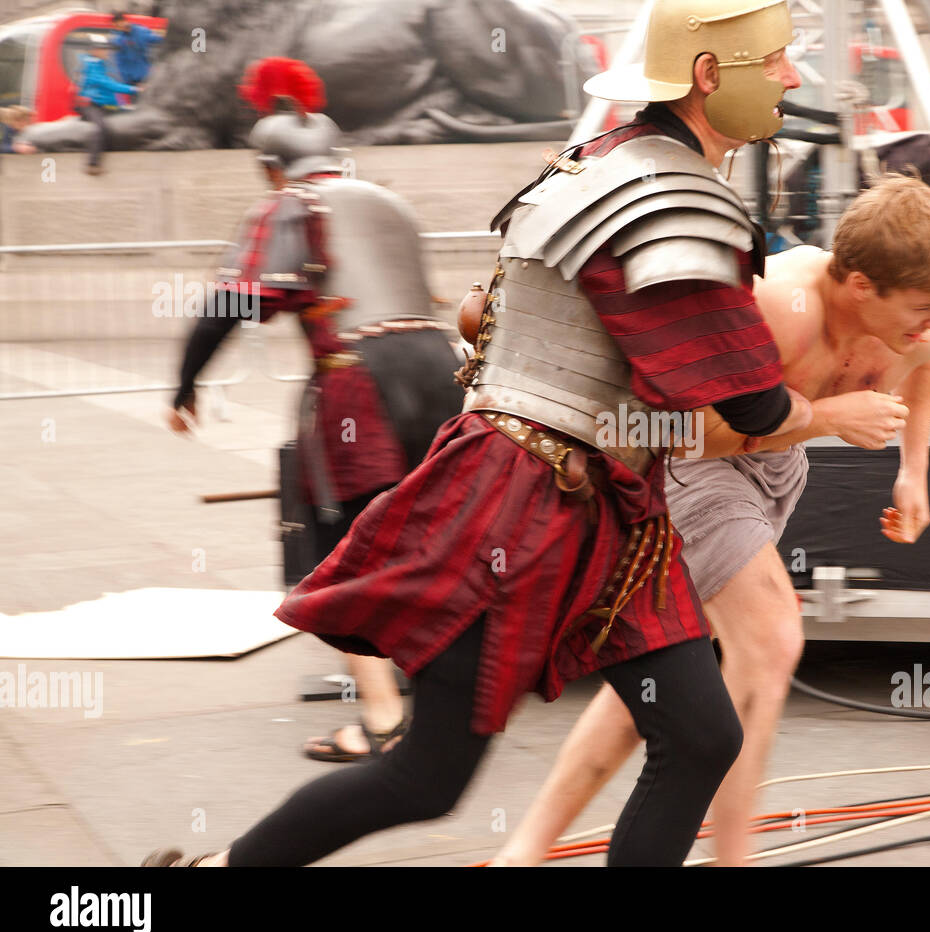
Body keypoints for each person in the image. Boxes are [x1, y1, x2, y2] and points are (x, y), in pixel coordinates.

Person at [143, 0, 813, 868]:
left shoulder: (591, 163)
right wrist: (826, 410)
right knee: (430, 776)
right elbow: (754, 404)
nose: (793, 77)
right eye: (777, 59)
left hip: (602, 502)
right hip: (521, 497)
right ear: (709, 75)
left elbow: (491, 313)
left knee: (698, 734)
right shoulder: (664, 191)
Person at [493, 174, 930, 866]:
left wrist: (914, 470)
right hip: (697, 465)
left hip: (776, 471)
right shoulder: (774, 307)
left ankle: (526, 847)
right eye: (924, 307)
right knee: (771, 641)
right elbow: (678, 432)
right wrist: (825, 417)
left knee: (666, 671)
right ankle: (732, 858)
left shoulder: (926, 318)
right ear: (861, 287)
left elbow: (927, 357)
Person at [165, 58, 464, 762]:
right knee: (429, 528)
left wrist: (184, 385)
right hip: (441, 367)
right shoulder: (388, 200)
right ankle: (447, 681)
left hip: (360, 375)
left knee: (344, 542)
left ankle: (384, 719)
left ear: (271, 167)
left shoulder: (289, 204)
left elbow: (230, 306)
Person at [75, 41, 138, 174]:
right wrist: (133, 89)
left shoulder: (101, 64)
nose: (107, 52)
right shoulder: (91, 66)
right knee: (100, 128)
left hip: (104, 105)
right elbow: (107, 84)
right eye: (104, 50)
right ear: (95, 51)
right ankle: (93, 164)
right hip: (91, 106)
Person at [110, 12, 161, 94]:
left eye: (118, 25)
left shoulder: (141, 32)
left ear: (123, 21)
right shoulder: (119, 39)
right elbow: (119, 61)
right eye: (116, 26)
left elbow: (158, 40)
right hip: (129, 80)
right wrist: (125, 81)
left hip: (144, 77)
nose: (118, 28)